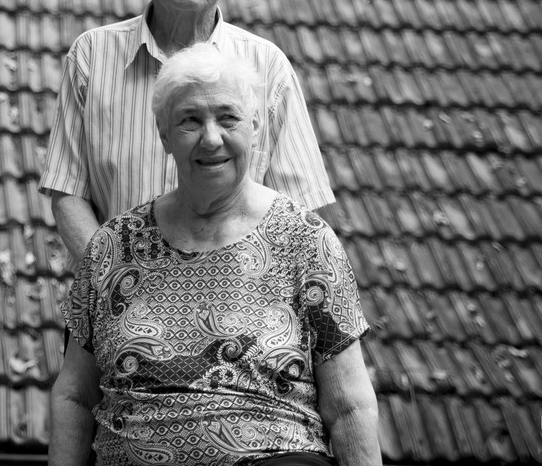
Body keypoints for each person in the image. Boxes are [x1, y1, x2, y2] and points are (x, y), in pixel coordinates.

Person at [49, 44, 379, 466]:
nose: (211, 138)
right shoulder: (113, 246)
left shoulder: (305, 240)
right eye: (189, 120)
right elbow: (74, 395)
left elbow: (350, 406)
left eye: (228, 118)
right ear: (164, 135)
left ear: (255, 127)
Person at [39, 0, 337, 265]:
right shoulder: (92, 57)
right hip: (119, 307)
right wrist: (113, 286)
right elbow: (68, 192)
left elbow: (301, 213)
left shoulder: (267, 67)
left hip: (236, 308)